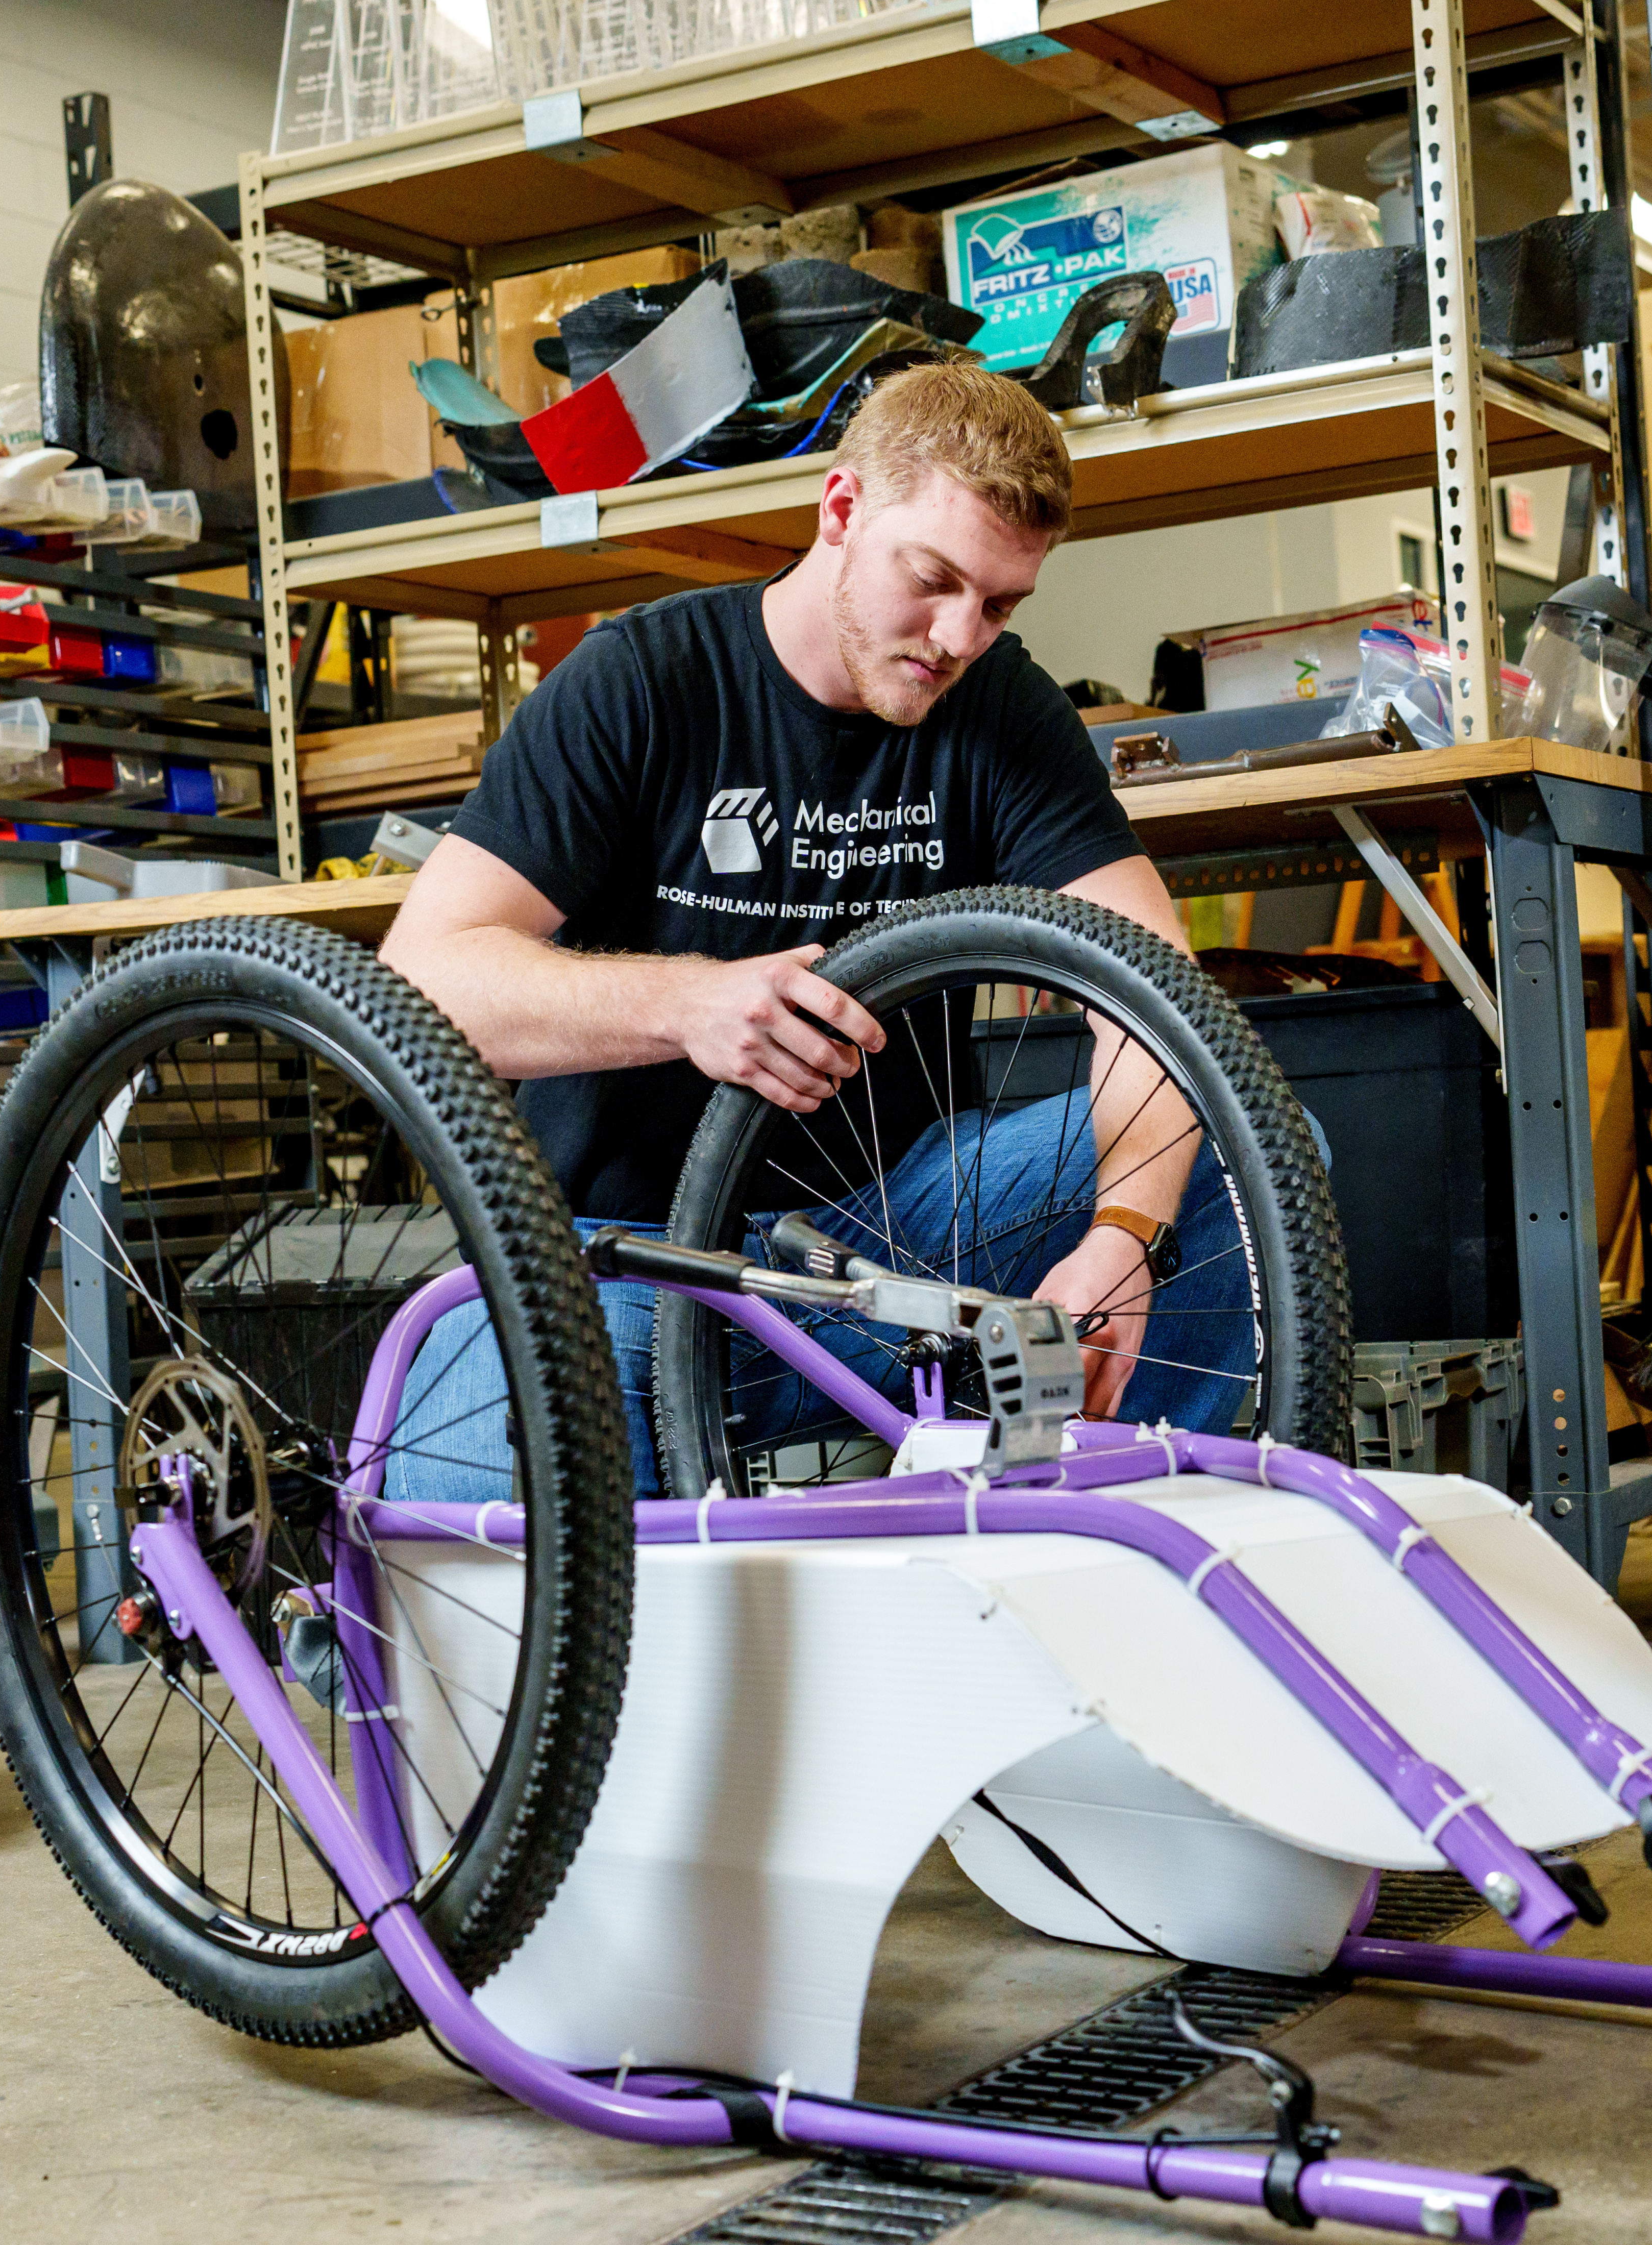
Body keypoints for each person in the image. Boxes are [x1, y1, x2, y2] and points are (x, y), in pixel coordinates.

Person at [376, 356, 1245, 1495]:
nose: (957, 634)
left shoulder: (996, 703)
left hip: (897, 1247)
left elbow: (1159, 998)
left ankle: (1094, 1569)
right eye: (931, 579)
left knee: (1244, 1157)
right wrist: (688, 1003)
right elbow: (419, 982)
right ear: (840, 509)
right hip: (631, 1269)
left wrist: (1126, 1235)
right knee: (476, 1449)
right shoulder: (641, 682)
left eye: (999, 603)